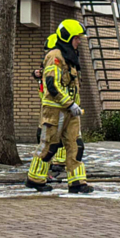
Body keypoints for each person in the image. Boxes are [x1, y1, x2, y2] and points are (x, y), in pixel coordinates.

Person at [25, 19, 92, 194]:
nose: (79, 41)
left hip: (70, 111)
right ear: (68, 37)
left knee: (75, 145)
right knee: (49, 146)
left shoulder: (70, 57)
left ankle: (77, 182)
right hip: (55, 111)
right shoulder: (55, 57)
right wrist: (70, 104)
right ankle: (34, 178)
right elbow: (52, 84)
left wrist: (74, 106)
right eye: (77, 38)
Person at [33, 65, 68, 177]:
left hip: (57, 110)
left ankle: (58, 162)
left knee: (59, 137)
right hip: (48, 110)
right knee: (44, 136)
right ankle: (45, 165)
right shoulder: (47, 75)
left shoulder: (60, 74)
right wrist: (36, 73)